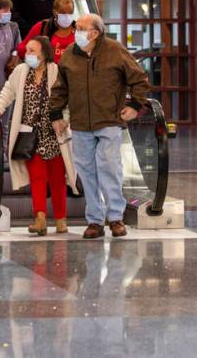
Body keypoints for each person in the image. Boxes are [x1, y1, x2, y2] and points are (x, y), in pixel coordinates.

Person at [49, 14, 150, 239]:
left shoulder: (115, 50)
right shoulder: (69, 55)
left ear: (95, 33)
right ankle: (94, 220)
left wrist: (135, 105)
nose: (77, 31)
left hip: (109, 121)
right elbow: (59, 89)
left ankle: (115, 217)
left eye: (82, 28)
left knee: (109, 168)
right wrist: (55, 114)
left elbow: (139, 78)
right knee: (86, 172)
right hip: (81, 123)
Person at [0, 36, 75, 236]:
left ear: (44, 53)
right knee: (37, 177)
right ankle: (40, 218)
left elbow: (67, 97)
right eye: (26, 50)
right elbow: (8, 91)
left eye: (32, 51)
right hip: (29, 135)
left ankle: (61, 220)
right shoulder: (20, 71)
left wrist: (65, 120)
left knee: (57, 178)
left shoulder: (56, 71)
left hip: (54, 133)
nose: (27, 54)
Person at [15, 0, 77, 64]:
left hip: (73, 71)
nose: (67, 16)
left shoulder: (79, 28)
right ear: (54, 12)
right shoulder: (43, 27)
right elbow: (21, 49)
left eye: (70, 12)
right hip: (48, 70)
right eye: (63, 13)